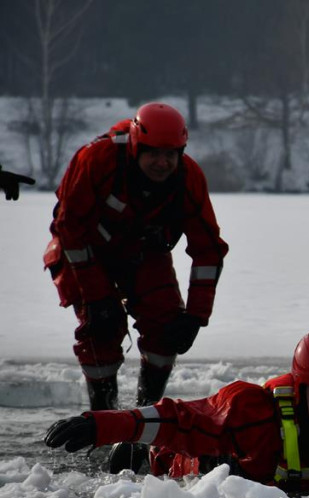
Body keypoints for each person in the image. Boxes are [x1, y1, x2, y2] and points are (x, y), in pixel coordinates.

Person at [42, 102, 228, 452]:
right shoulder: (95, 160)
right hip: (82, 252)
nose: (163, 163)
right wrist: (97, 297)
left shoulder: (188, 178)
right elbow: (68, 228)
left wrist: (196, 317)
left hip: (144, 253)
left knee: (166, 328)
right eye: (154, 154)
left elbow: (208, 250)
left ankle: (142, 423)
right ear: (136, 147)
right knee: (100, 331)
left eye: (171, 154)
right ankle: (101, 422)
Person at [44, 330, 309, 496]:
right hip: (196, 464)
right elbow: (180, 418)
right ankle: (143, 454)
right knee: (202, 462)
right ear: (302, 388)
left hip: (300, 493)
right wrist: (101, 425)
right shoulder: (255, 413)